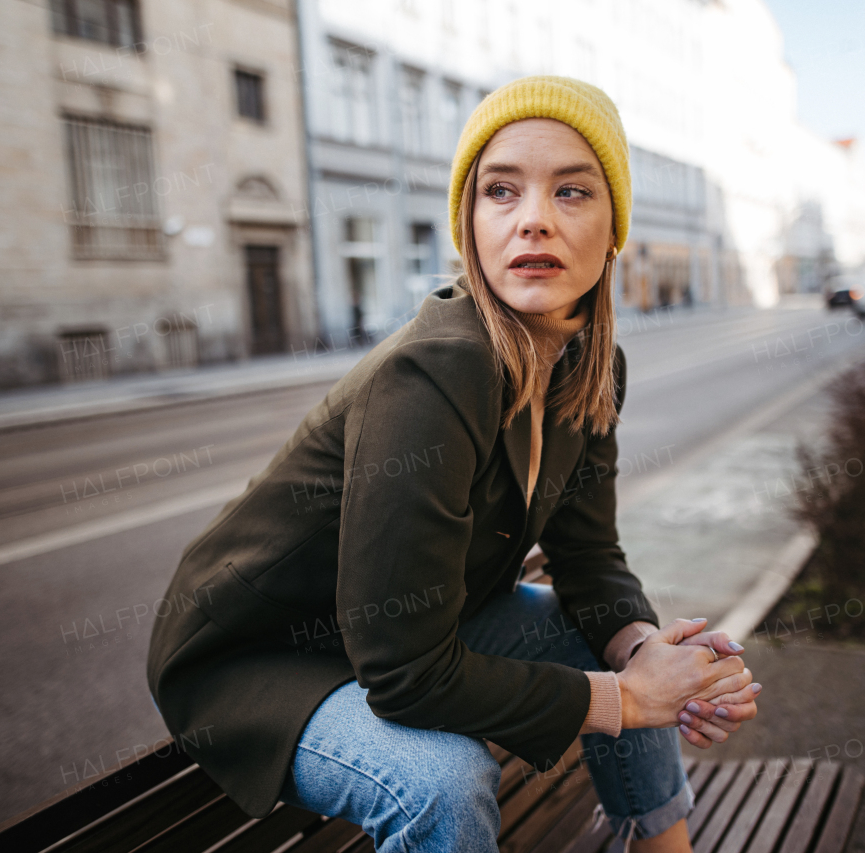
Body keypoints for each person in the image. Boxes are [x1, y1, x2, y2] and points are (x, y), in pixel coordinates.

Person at [146, 76, 760, 853]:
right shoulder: (431, 375)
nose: (533, 218)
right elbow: (404, 674)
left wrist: (652, 659)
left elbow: (589, 558)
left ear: (614, 228)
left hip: (402, 627)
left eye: (571, 191)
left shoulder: (588, 367)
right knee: (441, 778)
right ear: (470, 224)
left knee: (604, 632)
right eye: (501, 191)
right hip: (261, 660)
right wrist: (625, 701)